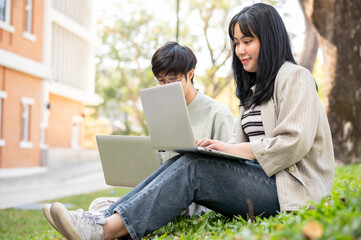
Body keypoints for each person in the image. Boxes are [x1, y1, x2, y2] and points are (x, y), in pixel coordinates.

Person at [42, 3, 335, 240]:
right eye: (236, 42)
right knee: (187, 157)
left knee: (196, 165)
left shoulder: (296, 77)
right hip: (261, 185)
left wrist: (226, 149)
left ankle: (105, 231)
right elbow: (245, 159)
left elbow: (291, 144)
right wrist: (221, 152)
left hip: (290, 192)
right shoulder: (254, 90)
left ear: (269, 41)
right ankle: (100, 219)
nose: (240, 50)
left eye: (248, 41)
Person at [86, 41, 235, 217]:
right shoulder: (162, 114)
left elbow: (228, 178)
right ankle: (101, 221)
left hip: (197, 204)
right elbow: (156, 168)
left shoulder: (219, 114)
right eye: (161, 81)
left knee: (109, 214)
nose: (166, 86)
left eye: (172, 79)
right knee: (98, 204)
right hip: (161, 196)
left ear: (190, 74)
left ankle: (101, 223)